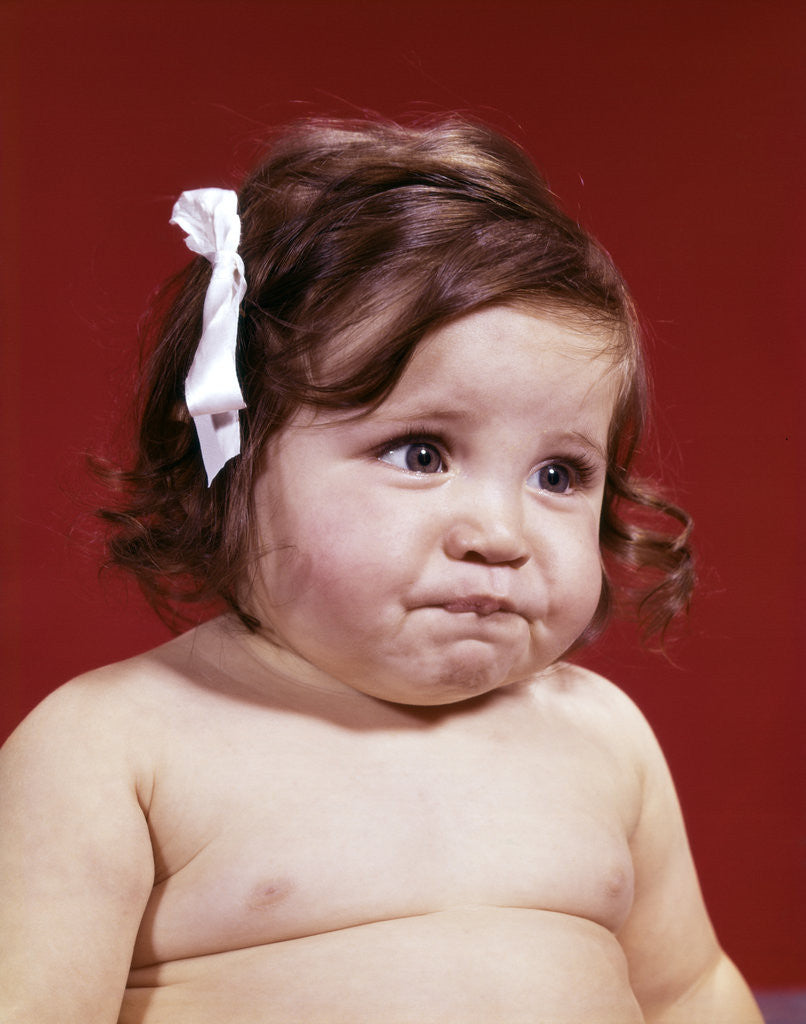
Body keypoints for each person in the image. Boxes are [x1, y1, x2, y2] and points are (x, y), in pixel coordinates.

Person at [0, 116, 762, 1023]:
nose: (501, 532)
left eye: (559, 475)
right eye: (420, 453)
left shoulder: (602, 737)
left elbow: (688, 994)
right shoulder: (115, 748)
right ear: (225, 454)